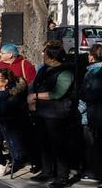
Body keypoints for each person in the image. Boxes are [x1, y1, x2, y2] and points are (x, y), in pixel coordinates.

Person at [28, 41, 74, 187]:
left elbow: (58, 93)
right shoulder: (43, 70)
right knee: (43, 142)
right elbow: (33, 85)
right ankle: (47, 171)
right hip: (42, 111)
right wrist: (32, 99)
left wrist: (35, 96)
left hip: (57, 113)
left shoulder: (65, 72)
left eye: (45, 53)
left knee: (59, 145)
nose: (43, 55)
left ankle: (62, 177)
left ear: (52, 57)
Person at [81, 44, 102, 183]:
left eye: (89, 54)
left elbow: (90, 94)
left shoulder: (94, 72)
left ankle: (95, 172)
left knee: (93, 144)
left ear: (93, 56)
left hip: (93, 113)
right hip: (95, 112)